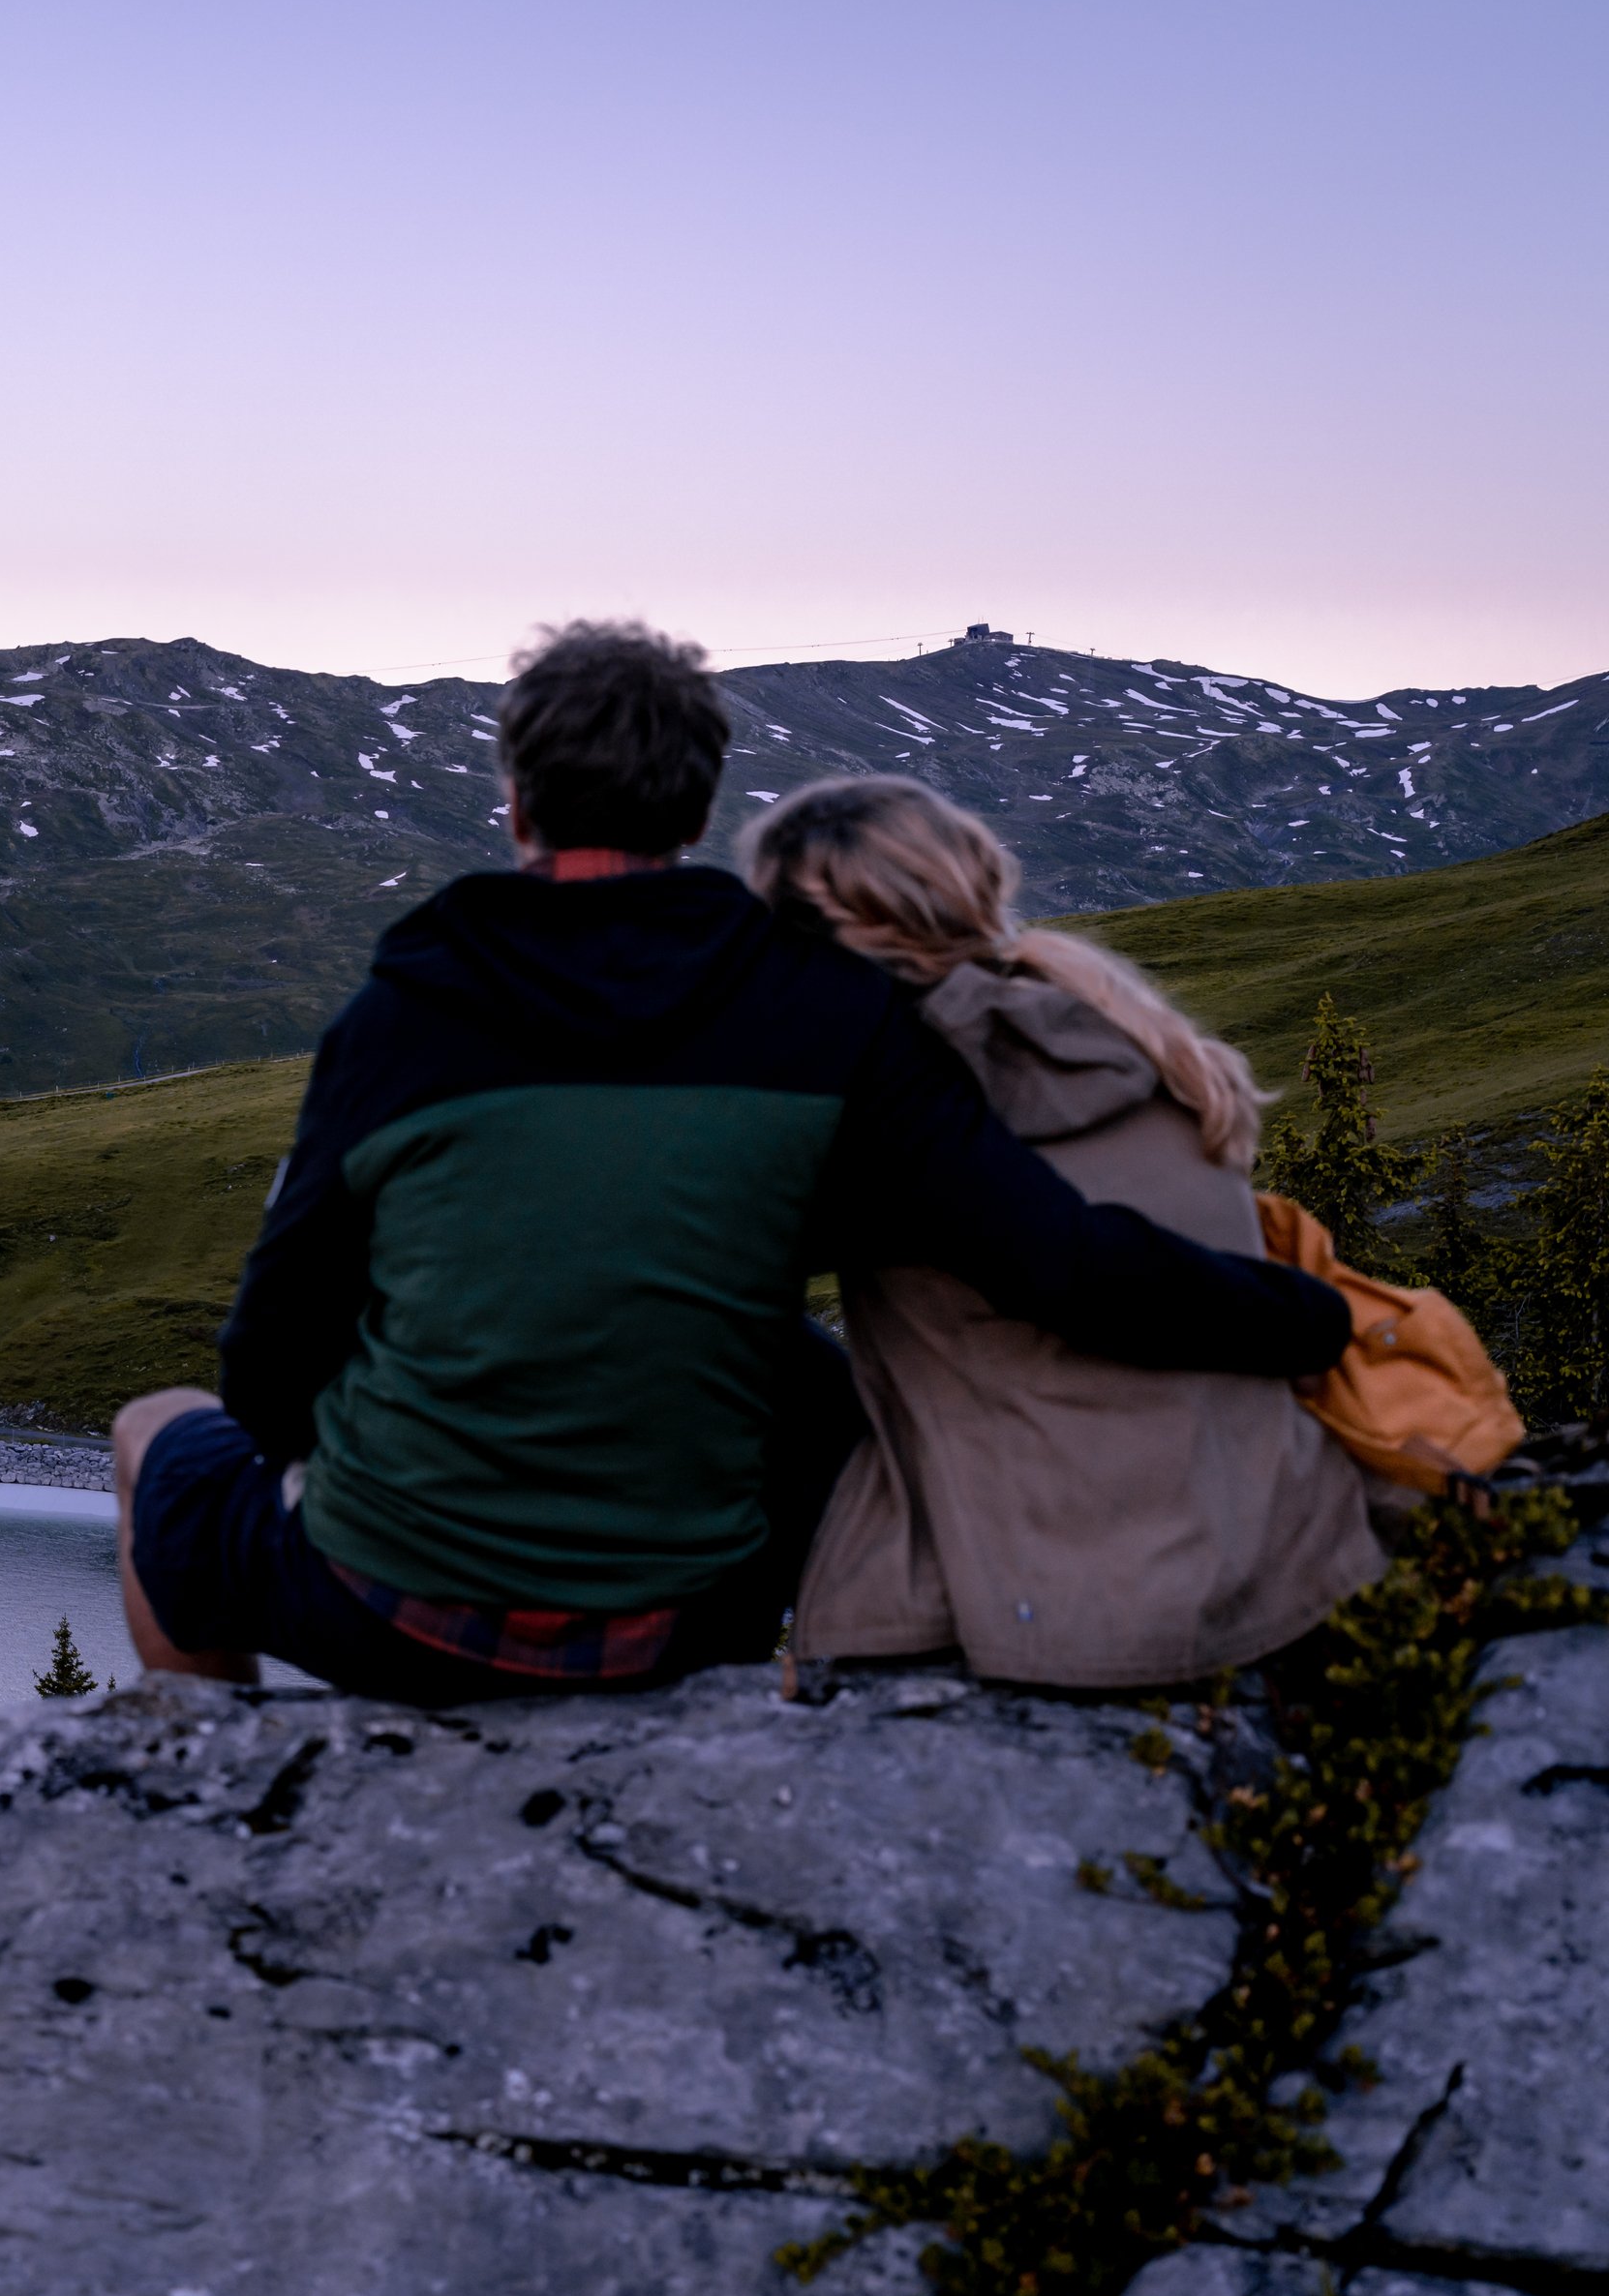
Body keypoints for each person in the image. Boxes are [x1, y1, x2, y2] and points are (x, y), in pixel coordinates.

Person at [113, 623, 1353, 1705]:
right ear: (699, 809)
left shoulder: (402, 1013)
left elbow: (269, 1363)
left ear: (517, 803)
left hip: (391, 1617)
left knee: (156, 1427)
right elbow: (1058, 1264)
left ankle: (210, 1805)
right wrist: (1310, 1316)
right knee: (789, 1368)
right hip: (686, 1624)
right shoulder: (820, 1004)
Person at [744, 775, 1384, 1685]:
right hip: (1285, 1546)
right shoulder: (1115, 1024)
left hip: (1068, 1600)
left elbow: (1069, 1267)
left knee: (729, 1334)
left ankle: (675, 1667)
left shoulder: (897, 1081)